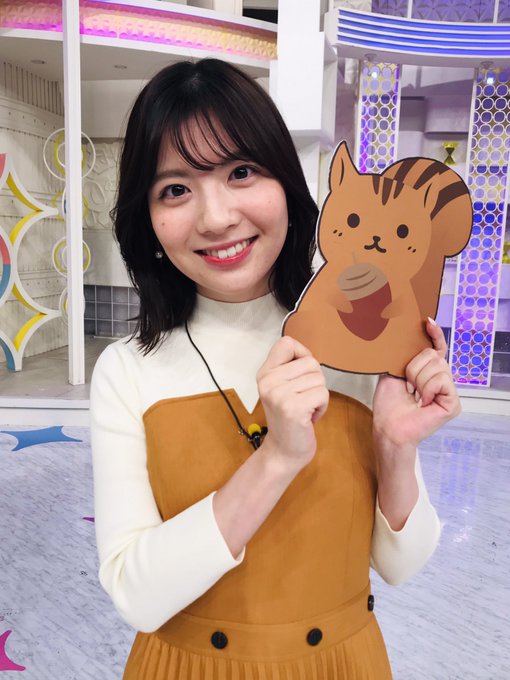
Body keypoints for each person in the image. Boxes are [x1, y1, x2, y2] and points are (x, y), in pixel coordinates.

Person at [90, 58, 460, 680]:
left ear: (286, 184)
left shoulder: (359, 345)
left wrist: (395, 447)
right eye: (175, 189)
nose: (216, 217)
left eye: (240, 172)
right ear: (147, 219)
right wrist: (277, 459)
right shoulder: (127, 371)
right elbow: (135, 593)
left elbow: (401, 566)